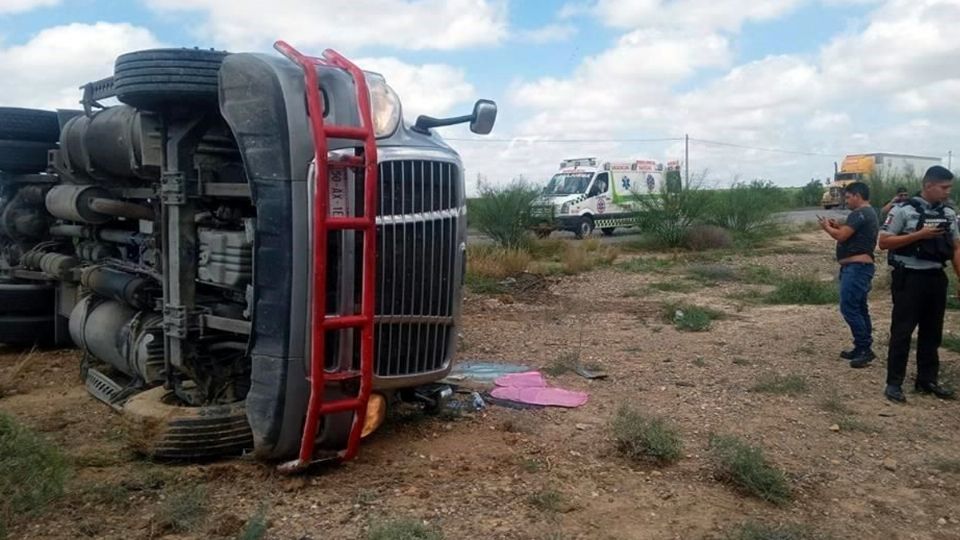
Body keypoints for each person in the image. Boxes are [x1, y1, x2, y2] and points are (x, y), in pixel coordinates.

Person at [878, 165, 960, 403]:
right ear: (928, 185)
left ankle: (927, 380)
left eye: (949, 188)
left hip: (936, 277)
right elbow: (884, 242)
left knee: (932, 333)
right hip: (910, 278)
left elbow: (956, 247)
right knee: (902, 332)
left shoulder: (947, 212)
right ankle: (894, 383)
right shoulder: (903, 211)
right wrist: (919, 235)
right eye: (943, 188)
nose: (947, 192)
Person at [818, 182, 879, 367]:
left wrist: (827, 228)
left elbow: (842, 236)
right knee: (859, 307)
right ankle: (862, 346)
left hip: (857, 268)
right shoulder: (866, 214)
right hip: (857, 268)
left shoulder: (860, 213)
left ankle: (864, 349)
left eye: (848, 196)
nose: (846, 200)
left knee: (850, 308)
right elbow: (848, 232)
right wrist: (837, 226)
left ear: (857, 196)